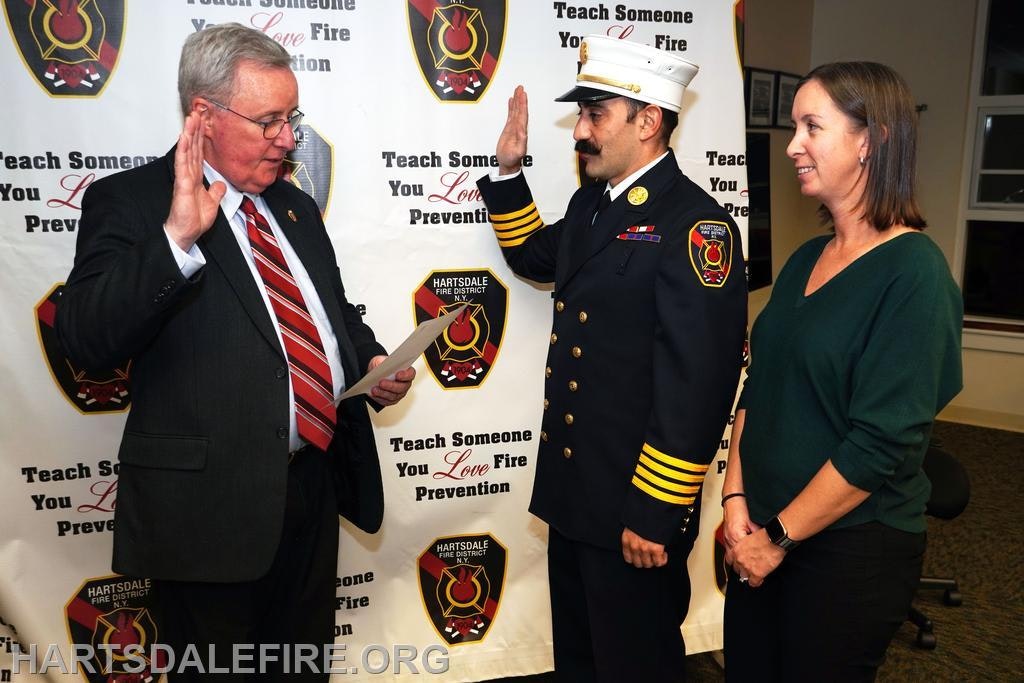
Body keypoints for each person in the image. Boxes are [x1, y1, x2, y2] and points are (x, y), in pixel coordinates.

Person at [55, 23, 415, 680]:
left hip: (311, 489)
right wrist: (175, 239)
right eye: (269, 120)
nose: (288, 137)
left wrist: (367, 360)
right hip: (207, 514)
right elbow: (85, 339)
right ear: (203, 115)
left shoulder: (296, 205)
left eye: (292, 117)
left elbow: (328, 313)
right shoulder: (132, 202)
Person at [476, 35, 747, 681]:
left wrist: (655, 512)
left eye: (596, 114)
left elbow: (699, 384)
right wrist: (509, 172)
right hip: (579, 497)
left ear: (648, 121)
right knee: (580, 658)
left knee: (633, 664)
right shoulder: (592, 204)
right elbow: (535, 258)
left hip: (635, 508)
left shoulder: (695, 227)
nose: (581, 131)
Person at [721, 62, 963, 681]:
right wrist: (735, 496)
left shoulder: (915, 274)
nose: (793, 144)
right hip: (760, 530)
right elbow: (760, 385)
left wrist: (775, 539)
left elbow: (880, 442)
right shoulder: (806, 259)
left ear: (870, 140)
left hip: (849, 551)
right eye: (794, 126)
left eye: (811, 126)